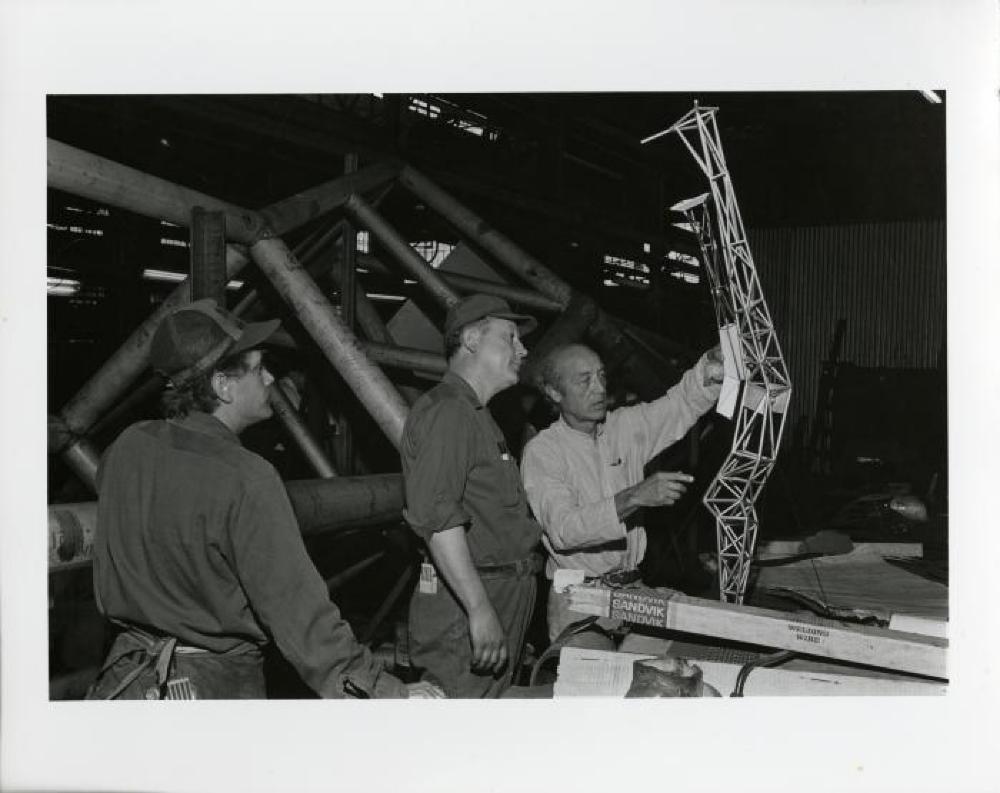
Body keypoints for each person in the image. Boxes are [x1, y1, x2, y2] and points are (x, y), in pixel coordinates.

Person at [88, 298, 443, 700]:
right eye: (258, 369)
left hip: (127, 679)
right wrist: (385, 693)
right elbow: (301, 617)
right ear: (222, 386)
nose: (271, 379)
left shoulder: (127, 447)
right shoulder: (245, 476)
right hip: (213, 688)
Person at [520, 343, 724, 652]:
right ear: (554, 392)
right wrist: (633, 497)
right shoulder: (543, 452)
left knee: (678, 652)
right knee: (597, 683)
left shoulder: (622, 428)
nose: (600, 388)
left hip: (630, 588)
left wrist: (713, 365)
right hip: (578, 597)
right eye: (584, 380)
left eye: (602, 376)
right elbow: (564, 530)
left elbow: (680, 404)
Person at [401, 294, 542, 697]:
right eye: (511, 337)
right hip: (466, 606)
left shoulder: (476, 415)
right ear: (472, 340)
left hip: (493, 594)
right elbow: (439, 521)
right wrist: (480, 610)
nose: (523, 349)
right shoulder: (448, 412)